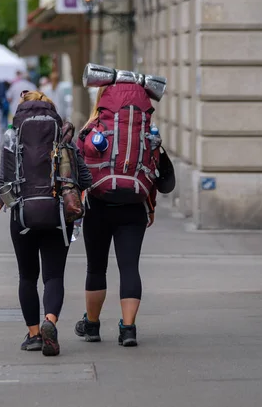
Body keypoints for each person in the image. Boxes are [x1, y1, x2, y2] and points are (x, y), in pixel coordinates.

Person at [0, 91, 92, 357]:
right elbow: (84, 177)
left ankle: (34, 335)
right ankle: (50, 320)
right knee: (53, 276)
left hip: (22, 216)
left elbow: (1, 185)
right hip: (57, 216)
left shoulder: (13, 138)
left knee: (27, 277)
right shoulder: (63, 137)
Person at [74, 83, 159, 348]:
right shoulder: (145, 131)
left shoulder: (92, 129)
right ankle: (129, 328)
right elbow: (154, 170)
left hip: (98, 206)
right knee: (129, 267)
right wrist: (150, 205)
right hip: (134, 205)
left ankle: (92, 325)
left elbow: (78, 168)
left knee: (96, 267)